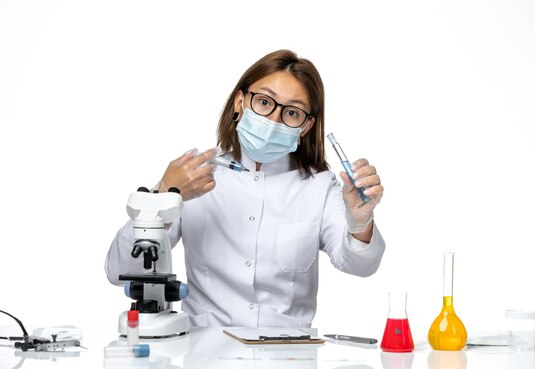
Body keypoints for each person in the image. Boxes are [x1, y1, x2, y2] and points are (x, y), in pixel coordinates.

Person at [105, 49, 386, 328]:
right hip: (207, 351)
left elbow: (361, 266)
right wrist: (165, 194)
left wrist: (360, 221)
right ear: (240, 101)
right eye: (264, 102)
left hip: (287, 355)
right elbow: (120, 272)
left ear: (306, 126)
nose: (273, 120)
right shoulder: (193, 177)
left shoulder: (320, 187)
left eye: (292, 112)